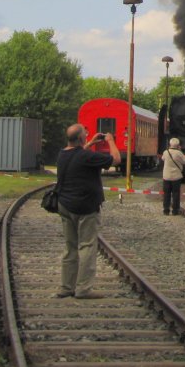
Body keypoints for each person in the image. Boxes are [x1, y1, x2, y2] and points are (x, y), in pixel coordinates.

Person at [55, 123, 120, 299]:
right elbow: (115, 160)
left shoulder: (63, 154)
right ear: (80, 138)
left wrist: (90, 142)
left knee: (70, 247)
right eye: (85, 133)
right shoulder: (87, 156)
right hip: (85, 207)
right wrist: (110, 141)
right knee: (87, 246)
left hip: (65, 205)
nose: (87, 134)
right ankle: (83, 289)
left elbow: (77, 154)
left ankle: (66, 287)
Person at [161, 138, 185, 215]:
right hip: (176, 177)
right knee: (176, 194)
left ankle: (166, 210)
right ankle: (175, 210)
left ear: (170, 144)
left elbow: (162, 158)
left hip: (166, 177)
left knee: (166, 194)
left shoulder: (166, 152)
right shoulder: (179, 153)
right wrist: (180, 150)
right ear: (178, 145)